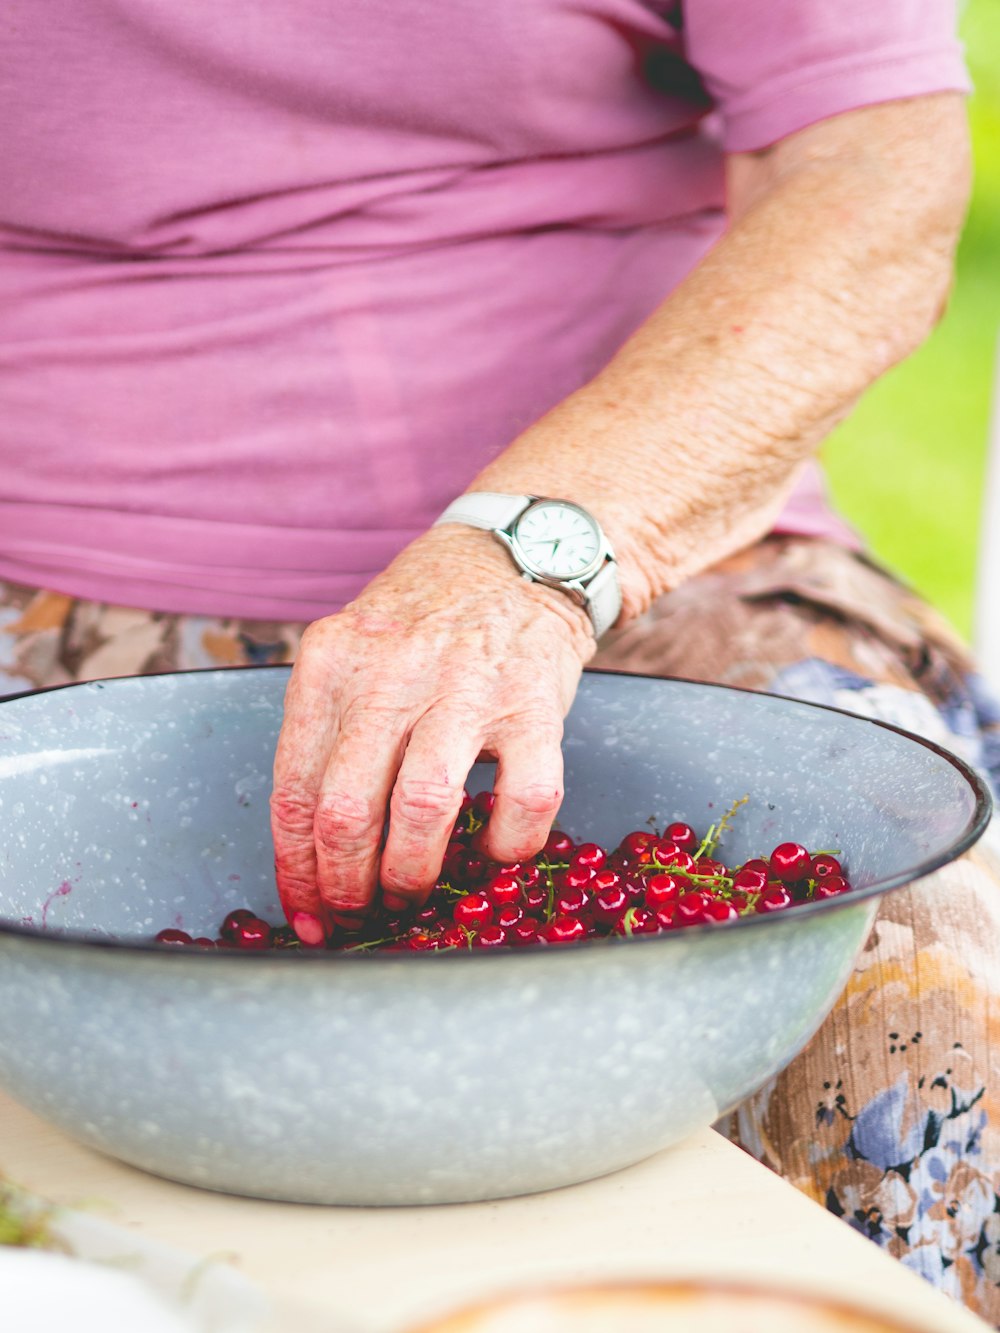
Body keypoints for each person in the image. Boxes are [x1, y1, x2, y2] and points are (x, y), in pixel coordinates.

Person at [2, 0, 998, 1318]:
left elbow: (872, 162)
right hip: (47, 557)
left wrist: (541, 551)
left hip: (636, 538)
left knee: (917, 987)